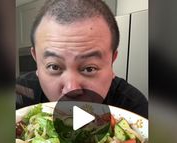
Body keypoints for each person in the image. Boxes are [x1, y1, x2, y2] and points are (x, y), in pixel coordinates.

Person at [16, 0, 148, 118]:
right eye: (54, 66)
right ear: (36, 61)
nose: (71, 89)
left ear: (112, 61)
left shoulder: (133, 107)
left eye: (89, 68)